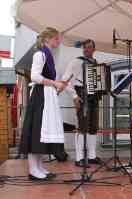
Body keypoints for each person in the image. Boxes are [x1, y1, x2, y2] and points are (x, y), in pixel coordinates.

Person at [19, 27, 66, 180]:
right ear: (47, 39)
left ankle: (38, 166)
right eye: (56, 38)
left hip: (47, 95)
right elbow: (34, 76)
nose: (58, 41)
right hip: (40, 96)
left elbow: (46, 79)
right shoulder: (40, 54)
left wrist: (57, 85)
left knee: (43, 131)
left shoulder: (48, 54)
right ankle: (33, 169)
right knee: (37, 130)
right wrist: (54, 83)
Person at [63, 39, 102, 167]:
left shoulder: (96, 63)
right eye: (84, 47)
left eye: (89, 47)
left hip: (94, 96)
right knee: (82, 126)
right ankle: (79, 158)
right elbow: (65, 80)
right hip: (81, 94)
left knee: (93, 127)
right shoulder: (76, 62)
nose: (86, 49)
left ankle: (92, 156)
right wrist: (74, 96)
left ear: (94, 49)